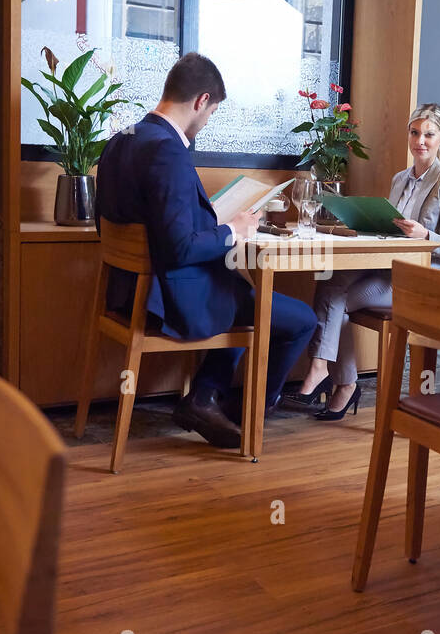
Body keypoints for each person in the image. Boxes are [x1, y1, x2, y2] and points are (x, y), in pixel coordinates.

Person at [96, 52, 317, 448]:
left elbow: (149, 222)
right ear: (201, 101)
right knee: (299, 319)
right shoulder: (168, 151)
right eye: (212, 111)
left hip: (125, 289)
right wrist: (234, 228)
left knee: (238, 290)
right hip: (166, 298)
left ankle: (205, 398)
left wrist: (212, 223)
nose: (208, 120)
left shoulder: (122, 138)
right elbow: (179, 248)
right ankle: (241, 411)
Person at [283, 103, 440, 420]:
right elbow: (389, 227)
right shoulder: (399, 180)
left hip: (417, 282)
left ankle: (336, 379)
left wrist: (424, 235)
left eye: (429, 134)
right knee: (330, 280)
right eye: (414, 132)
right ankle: (329, 374)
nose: (420, 141)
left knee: (335, 300)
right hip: (385, 268)